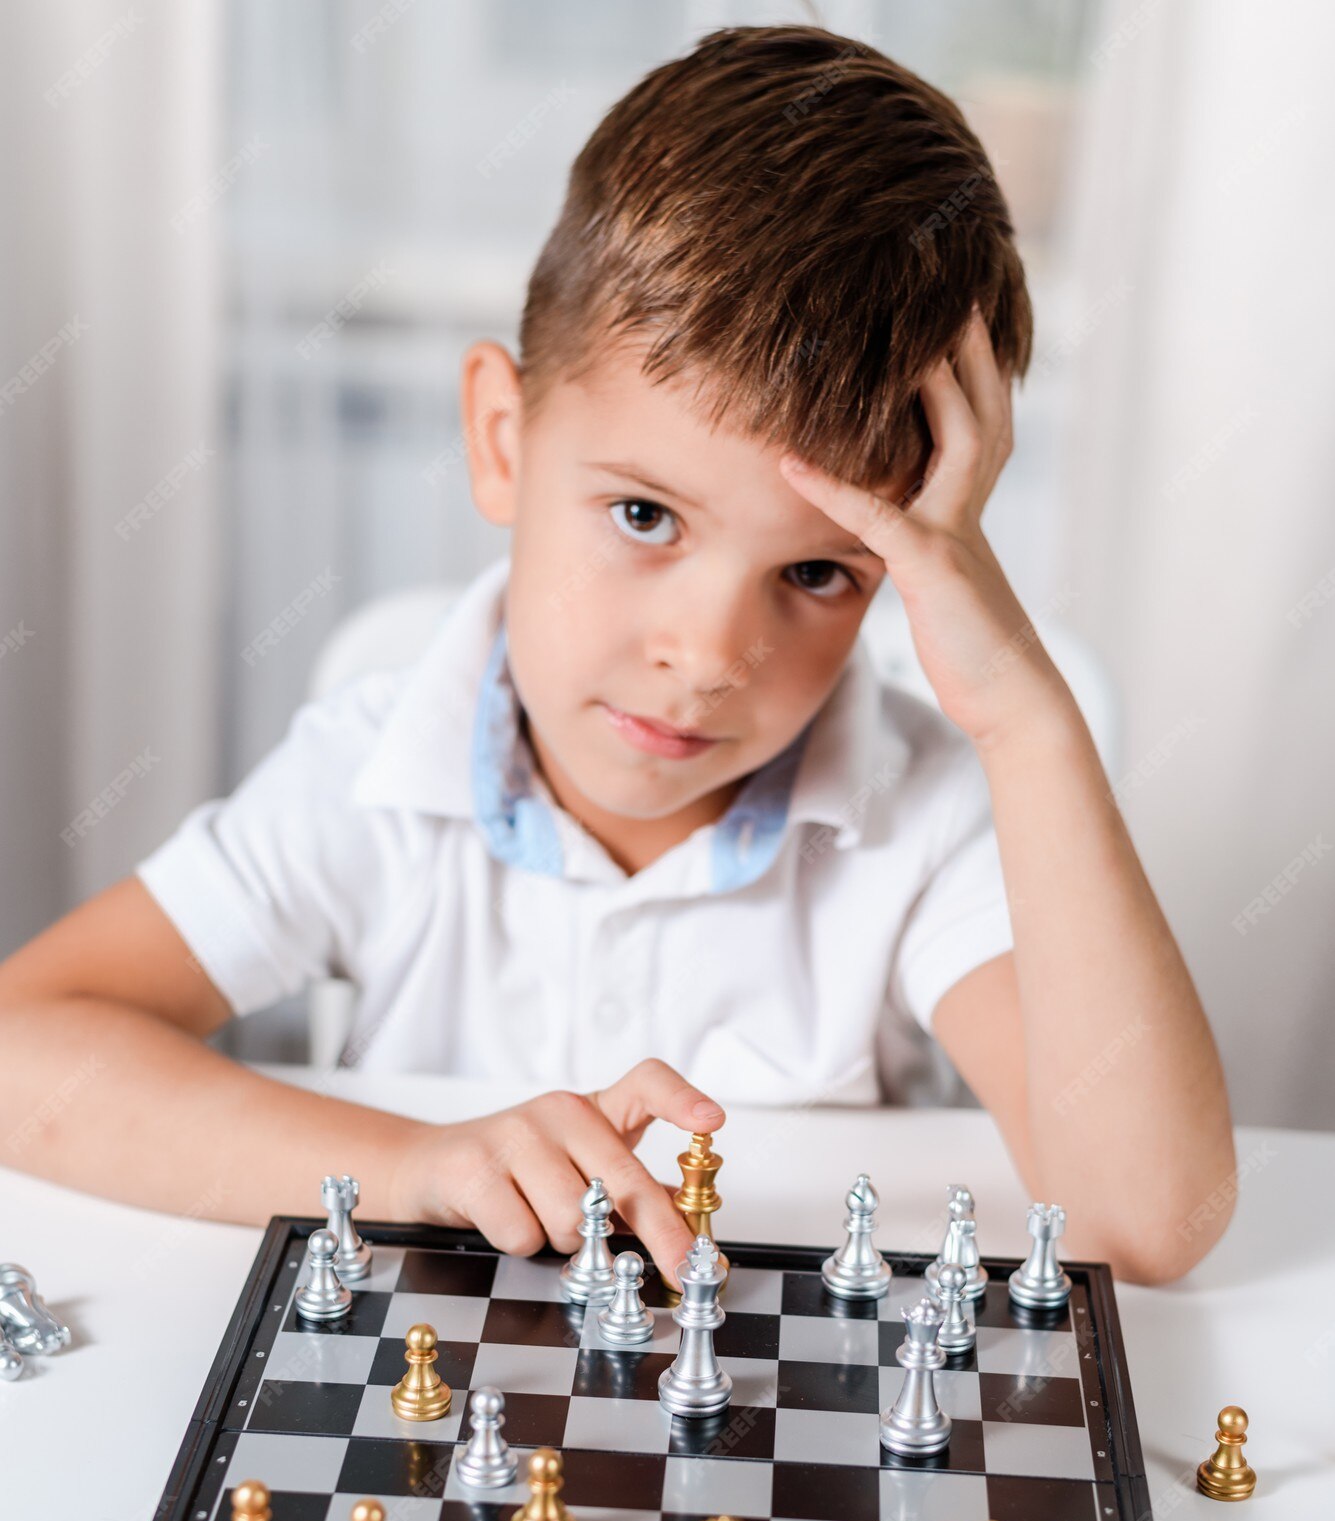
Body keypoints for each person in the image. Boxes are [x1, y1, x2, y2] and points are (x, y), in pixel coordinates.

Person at [0, 25, 1235, 1286]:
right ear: (501, 437)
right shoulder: (372, 774)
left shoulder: (916, 813)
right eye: (646, 515)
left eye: (820, 572)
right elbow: (19, 1049)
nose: (707, 656)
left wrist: (1023, 719)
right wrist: (420, 1165)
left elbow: (1146, 1219)